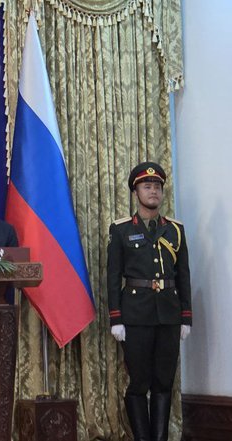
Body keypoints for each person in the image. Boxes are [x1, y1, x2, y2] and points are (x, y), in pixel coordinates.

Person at [107, 162, 192, 441]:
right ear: (136, 192)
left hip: (168, 315)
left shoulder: (175, 230)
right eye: (147, 186)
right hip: (135, 316)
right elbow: (113, 276)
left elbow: (183, 275)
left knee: (163, 383)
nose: (153, 191)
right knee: (139, 383)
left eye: (157, 186)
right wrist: (116, 318)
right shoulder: (121, 230)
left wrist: (186, 317)